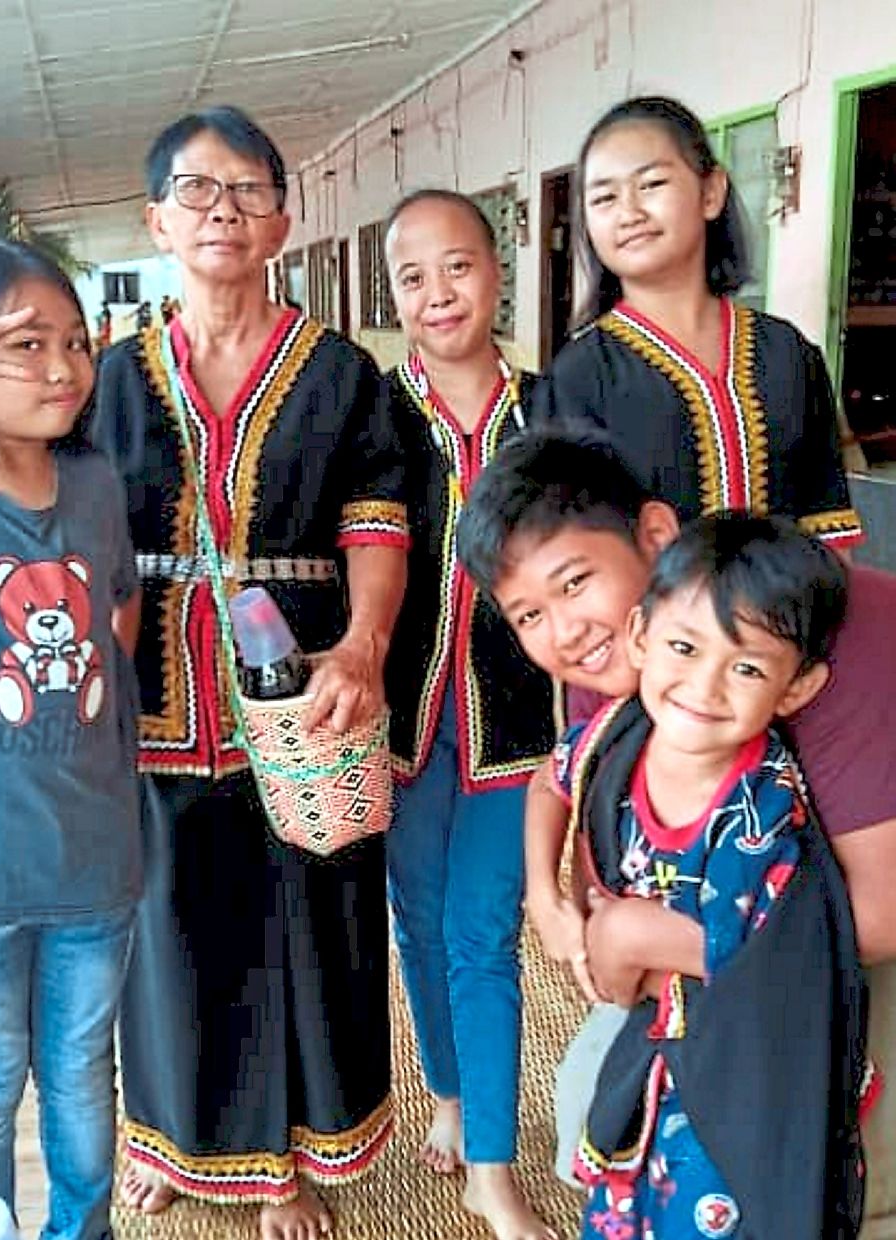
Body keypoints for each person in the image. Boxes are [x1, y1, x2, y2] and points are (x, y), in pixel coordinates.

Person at [90, 105, 409, 1240]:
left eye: (246, 190)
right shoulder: (105, 378)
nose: (220, 209)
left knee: (301, 923)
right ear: (155, 220)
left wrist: (364, 646)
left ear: (284, 217)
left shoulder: (340, 372)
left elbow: (376, 518)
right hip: (151, 697)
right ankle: (167, 1140)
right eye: (194, 189)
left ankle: (284, 1161)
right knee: (167, 932)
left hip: (307, 689)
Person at [458, 429, 896, 1238]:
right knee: (596, 1112)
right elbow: (561, 782)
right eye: (529, 615)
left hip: (821, 981)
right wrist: (557, 907)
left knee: (806, 1186)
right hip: (694, 984)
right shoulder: (631, 665)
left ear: (656, 538)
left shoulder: (821, 643)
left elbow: (870, 920)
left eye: (575, 582)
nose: (565, 631)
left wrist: (629, 933)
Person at [0, 241, 142, 1240]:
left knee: (82, 1071)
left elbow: (115, 621)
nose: (61, 367)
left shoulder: (93, 482)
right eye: (24, 344)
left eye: (73, 343)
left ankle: (81, 1230)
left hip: (95, 858)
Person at [382, 188, 560, 1240]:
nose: (438, 292)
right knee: (417, 915)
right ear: (395, 296)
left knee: (479, 932)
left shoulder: (552, 409)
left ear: (496, 271)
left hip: (517, 719)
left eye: (457, 266)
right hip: (399, 721)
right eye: (413, 276)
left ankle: (492, 1168)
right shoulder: (370, 411)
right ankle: (447, 1092)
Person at [535, 96, 863, 551]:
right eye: (604, 197)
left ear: (711, 192)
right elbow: (570, 554)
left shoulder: (788, 354)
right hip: (648, 622)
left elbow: (828, 528)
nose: (629, 212)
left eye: (650, 184)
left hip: (790, 620)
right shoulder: (577, 378)